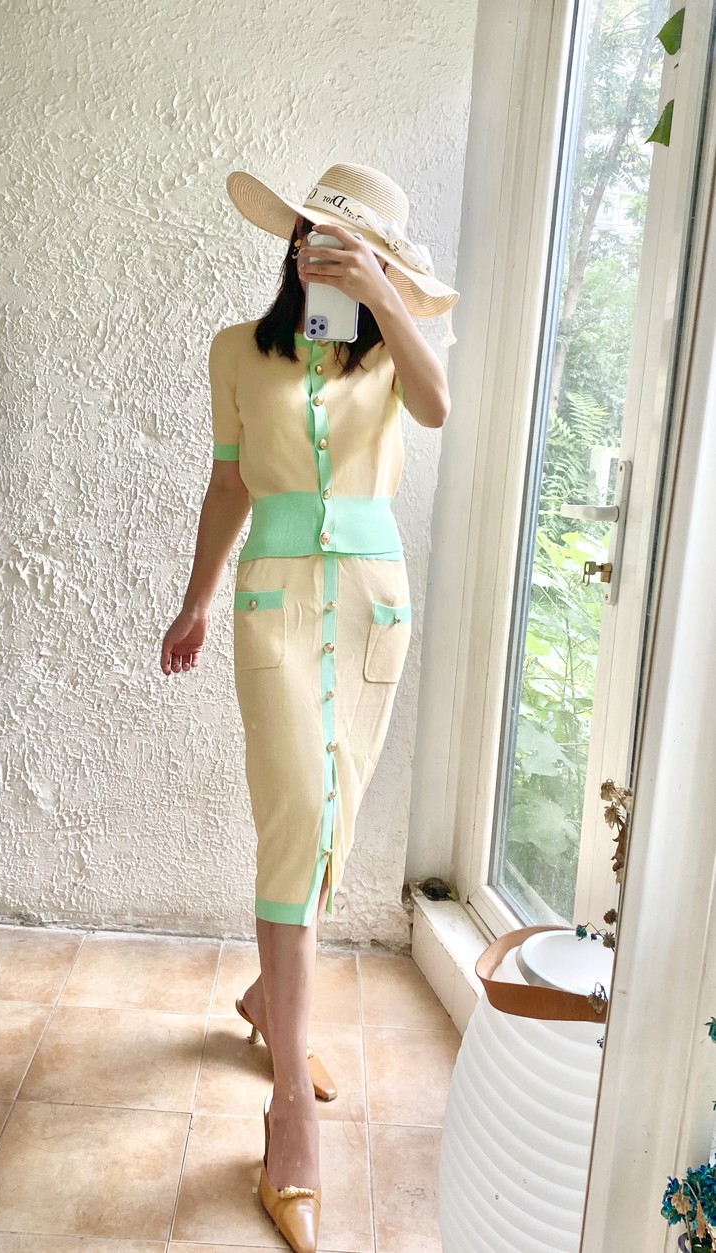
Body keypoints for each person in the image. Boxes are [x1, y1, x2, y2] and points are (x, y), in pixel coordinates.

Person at [160, 163, 458, 1253]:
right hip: (276, 605)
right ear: (290, 240)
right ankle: (290, 1106)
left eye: (345, 240)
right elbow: (229, 484)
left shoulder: (391, 352)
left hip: (374, 606)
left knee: (332, 822)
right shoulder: (235, 350)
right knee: (296, 822)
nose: (318, 250)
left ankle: (266, 1001)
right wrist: (195, 601)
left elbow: (437, 405)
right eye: (311, 232)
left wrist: (384, 297)